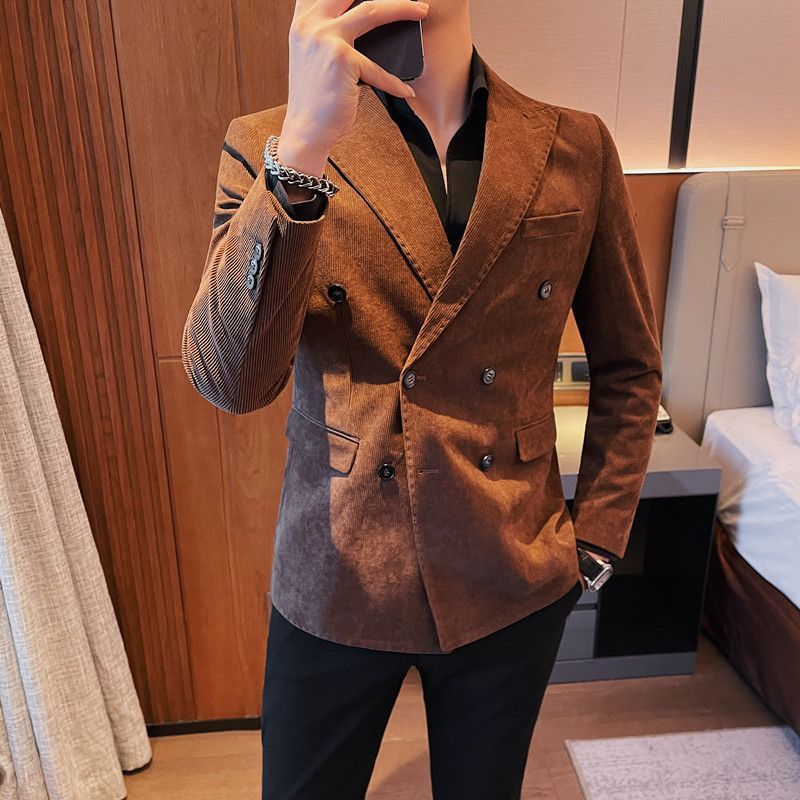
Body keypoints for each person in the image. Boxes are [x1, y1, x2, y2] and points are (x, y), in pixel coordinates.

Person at [181, 1, 663, 798]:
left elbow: (630, 364)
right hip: (337, 570)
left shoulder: (575, 145)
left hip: (511, 568)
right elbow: (232, 381)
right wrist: (301, 153)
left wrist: (598, 538)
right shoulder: (271, 138)